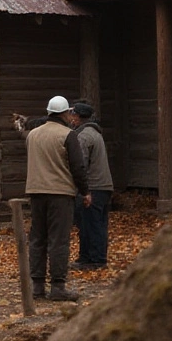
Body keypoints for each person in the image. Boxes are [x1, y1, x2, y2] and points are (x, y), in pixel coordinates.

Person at [24, 95, 90, 302]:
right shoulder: (68, 135)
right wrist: (85, 191)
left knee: (37, 239)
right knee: (58, 240)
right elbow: (78, 167)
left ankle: (37, 286)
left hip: (35, 192)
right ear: (65, 113)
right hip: (60, 193)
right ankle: (58, 286)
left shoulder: (32, 135)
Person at [70, 101, 113, 271]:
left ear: (78, 117)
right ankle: (90, 257)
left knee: (90, 224)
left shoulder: (83, 136)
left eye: (73, 115)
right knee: (97, 223)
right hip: (103, 185)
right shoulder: (95, 133)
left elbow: (80, 164)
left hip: (93, 186)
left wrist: (81, 188)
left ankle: (94, 259)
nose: (71, 118)